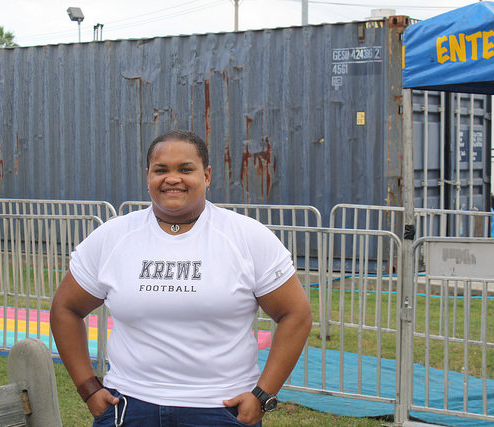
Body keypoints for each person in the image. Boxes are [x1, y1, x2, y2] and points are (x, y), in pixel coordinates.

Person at [51, 129, 312, 426]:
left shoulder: (247, 237)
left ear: (207, 175)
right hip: (129, 406)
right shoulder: (113, 237)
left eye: (186, 169)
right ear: (147, 176)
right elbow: (66, 308)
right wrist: (88, 389)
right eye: (161, 170)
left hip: (221, 409)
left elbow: (296, 314)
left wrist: (263, 395)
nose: (172, 178)